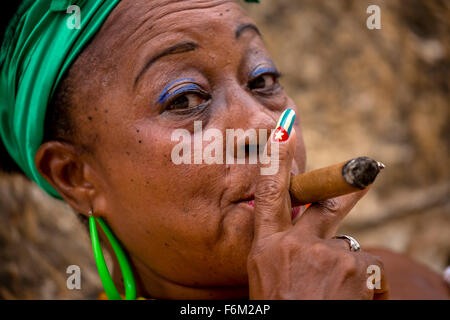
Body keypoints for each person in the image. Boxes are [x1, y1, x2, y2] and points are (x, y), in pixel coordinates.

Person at [1, 0, 448, 300]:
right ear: (75, 176)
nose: (262, 124)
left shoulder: (402, 284)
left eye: (263, 80)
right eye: (184, 99)